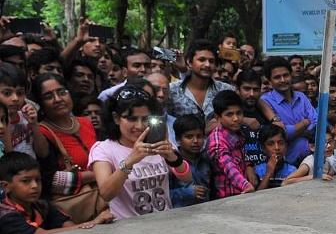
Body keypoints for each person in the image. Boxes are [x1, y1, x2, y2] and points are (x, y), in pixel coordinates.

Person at [89, 86, 192, 220]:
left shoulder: (157, 141)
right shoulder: (104, 149)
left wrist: (172, 157)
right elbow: (106, 193)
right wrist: (130, 161)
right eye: (131, 119)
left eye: (145, 119)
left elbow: (187, 178)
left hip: (165, 222)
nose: (139, 126)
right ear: (116, 118)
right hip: (127, 228)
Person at [0, 151, 113, 234]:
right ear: (6, 186)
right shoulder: (7, 215)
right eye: (26, 181)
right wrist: (92, 223)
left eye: (38, 180)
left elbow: (69, 226)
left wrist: (87, 227)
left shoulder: (42, 206)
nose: (34, 186)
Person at [32, 73, 98, 198]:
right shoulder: (42, 132)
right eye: (48, 96)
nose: (57, 99)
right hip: (78, 201)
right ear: (40, 103)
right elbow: (49, 179)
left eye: (62, 92)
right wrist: (98, 174)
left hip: (106, 191)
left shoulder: (86, 122)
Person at [259, 56, 317, 166]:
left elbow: (316, 121)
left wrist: (298, 129)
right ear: (269, 81)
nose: (283, 80)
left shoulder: (301, 97)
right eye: (277, 77)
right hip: (286, 165)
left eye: (285, 75)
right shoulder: (265, 101)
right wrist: (305, 122)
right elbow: (284, 133)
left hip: (311, 162)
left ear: (291, 75)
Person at [169, 40, 234, 133]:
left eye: (211, 61)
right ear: (189, 63)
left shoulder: (226, 90)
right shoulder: (172, 90)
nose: (207, 65)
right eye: (202, 60)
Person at [207, 90, 255, 199]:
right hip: (226, 199)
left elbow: (244, 153)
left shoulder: (239, 132)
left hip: (241, 194)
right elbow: (228, 165)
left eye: (238, 113)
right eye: (229, 114)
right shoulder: (217, 140)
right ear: (218, 117)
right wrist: (245, 184)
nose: (236, 119)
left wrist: (248, 165)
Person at [0, 63, 48, 159]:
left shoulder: (26, 117)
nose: (15, 98)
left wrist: (34, 125)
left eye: (20, 93)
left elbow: (43, 153)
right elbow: (10, 158)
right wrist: (6, 123)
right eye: (7, 93)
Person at [170, 114, 210, 208]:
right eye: (189, 137)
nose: (195, 141)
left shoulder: (206, 160)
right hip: (180, 216)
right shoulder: (171, 162)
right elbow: (164, 194)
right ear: (178, 139)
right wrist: (187, 192)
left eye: (199, 136)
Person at [254, 124, 298, 189]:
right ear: (263, 148)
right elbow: (256, 197)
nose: (277, 148)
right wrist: (268, 173)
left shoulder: (292, 171)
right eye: (270, 144)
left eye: (281, 143)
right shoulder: (258, 170)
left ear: (286, 146)